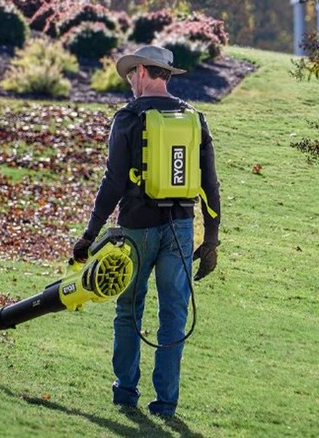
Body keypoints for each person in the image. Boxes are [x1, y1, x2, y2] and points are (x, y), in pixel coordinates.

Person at [71, 45, 221, 417]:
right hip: (181, 228)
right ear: (164, 74)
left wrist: (90, 235)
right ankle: (166, 403)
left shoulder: (128, 117)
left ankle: (125, 391)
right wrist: (212, 238)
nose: (128, 83)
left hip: (136, 228)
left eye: (128, 76)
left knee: (129, 309)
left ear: (141, 71)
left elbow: (113, 183)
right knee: (173, 315)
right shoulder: (193, 118)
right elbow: (211, 185)